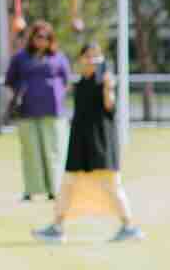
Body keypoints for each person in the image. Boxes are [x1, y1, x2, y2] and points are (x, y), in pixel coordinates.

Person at [33, 43, 142, 243]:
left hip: (101, 142)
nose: (91, 60)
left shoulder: (105, 82)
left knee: (111, 185)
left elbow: (110, 106)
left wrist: (109, 88)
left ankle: (129, 226)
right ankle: (57, 226)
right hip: (80, 142)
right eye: (87, 56)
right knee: (68, 184)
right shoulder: (81, 83)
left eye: (96, 56)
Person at [5, 20, 71, 202]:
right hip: (27, 111)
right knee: (31, 152)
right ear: (32, 38)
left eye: (45, 37)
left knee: (54, 151)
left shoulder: (58, 58)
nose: (41, 41)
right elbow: (10, 81)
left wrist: (57, 95)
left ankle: (54, 189)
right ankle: (31, 189)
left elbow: (66, 81)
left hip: (53, 111)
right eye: (38, 37)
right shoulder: (20, 58)